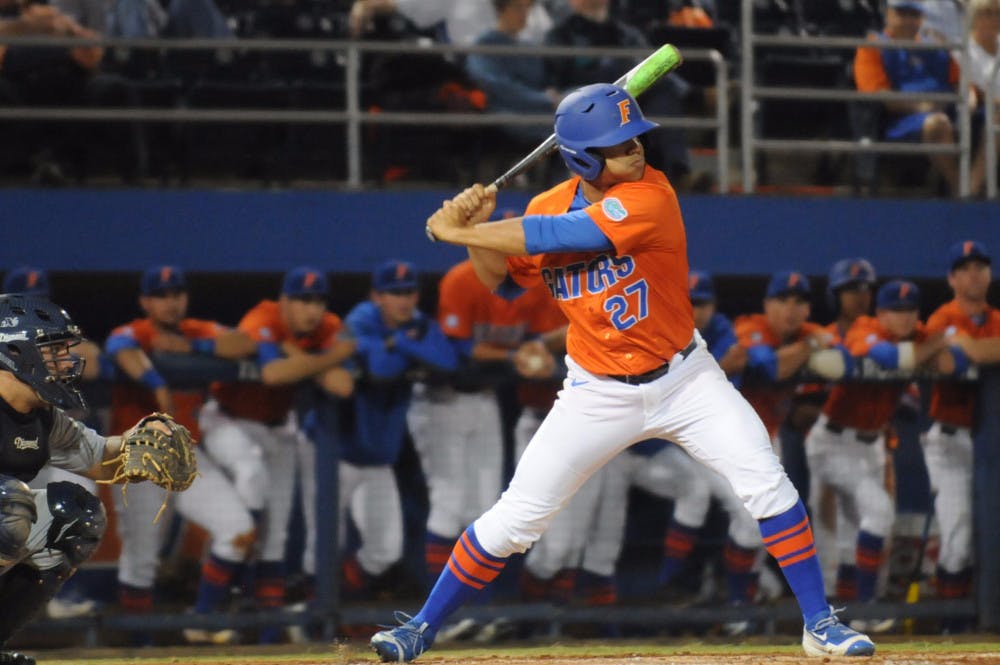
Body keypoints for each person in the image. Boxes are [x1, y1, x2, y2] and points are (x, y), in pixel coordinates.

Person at [370, 82, 876, 660]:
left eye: (635, 137)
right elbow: (500, 277)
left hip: (686, 379)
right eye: (619, 143)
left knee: (766, 480)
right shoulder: (542, 204)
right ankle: (420, 628)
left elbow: (565, 235)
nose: (635, 149)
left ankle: (818, 623)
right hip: (596, 391)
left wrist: (461, 230)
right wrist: (476, 232)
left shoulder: (651, 195)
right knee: (516, 520)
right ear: (583, 156)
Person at [0, 294, 183, 665]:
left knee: (75, 516)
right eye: (52, 350)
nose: (65, 362)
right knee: (9, 507)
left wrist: (143, 442)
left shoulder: (42, 415)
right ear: (15, 353)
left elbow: (101, 457)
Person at [197, 267, 355, 643]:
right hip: (228, 419)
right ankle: (207, 611)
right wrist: (325, 357)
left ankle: (266, 634)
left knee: (279, 531)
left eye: (317, 301)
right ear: (284, 301)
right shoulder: (263, 317)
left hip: (278, 427)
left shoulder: (329, 325)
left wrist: (299, 357)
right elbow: (273, 374)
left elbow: (343, 385)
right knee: (251, 479)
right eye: (302, 300)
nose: (311, 310)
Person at [103, 265, 258, 644]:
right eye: (161, 295)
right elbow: (117, 348)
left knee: (238, 531)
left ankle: (201, 620)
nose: (171, 302)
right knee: (142, 560)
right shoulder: (134, 333)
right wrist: (157, 382)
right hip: (138, 456)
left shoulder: (197, 331)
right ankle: (137, 647)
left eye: (177, 294)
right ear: (145, 301)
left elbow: (246, 343)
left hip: (186, 455)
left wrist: (195, 349)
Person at [410, 258, 560, 600]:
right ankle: (439, 610)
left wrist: (537, 352)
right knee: (448, 505)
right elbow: (457, 348)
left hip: (486, 398)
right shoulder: (462, 279)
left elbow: (535, 339)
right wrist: (513, 358)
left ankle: (474, 609)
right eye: (506, 251)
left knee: (486, 509)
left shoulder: (535, 285)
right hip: (441, 399)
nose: (516, 260)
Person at [804, 279, 947, 632]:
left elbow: (948, 361)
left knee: (858, 532)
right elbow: (883, 355)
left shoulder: (919, 334)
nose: (903, 318)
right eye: (894, 311)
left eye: (910, 310)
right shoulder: (865, 328)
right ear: (880, 313)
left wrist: (935, 346)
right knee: (877, 511)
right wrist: (933, 346)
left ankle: (848, 615)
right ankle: (866, 606)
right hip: (832, 440)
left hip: (871, 444)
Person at [320, 260, 458, 601]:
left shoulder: (416, 324)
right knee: (320, 550)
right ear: (376, 296)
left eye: (409, 292)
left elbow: (448, 362)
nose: (404, 300)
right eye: (394, 293)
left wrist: (398, 343)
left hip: (377, 457)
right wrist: (409, 346)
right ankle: (297, 623)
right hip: (331, 452)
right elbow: (380, 368)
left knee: (384, 552)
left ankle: (335, 608)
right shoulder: (360, 320)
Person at [923, 241, 1000, 605]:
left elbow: (977, 350)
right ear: (952, 278)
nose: (975, 273)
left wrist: (970, 344)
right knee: (958, 533)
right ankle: (950, 622)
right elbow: (947, 362)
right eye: (965, 268)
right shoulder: (941, 318)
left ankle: (980, 614)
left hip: (992, 442)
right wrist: (970, 346)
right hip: (950, 440)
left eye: (981, 266)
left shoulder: (996, 318)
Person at [544, 0, 691, 183]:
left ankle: (676, 171)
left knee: (662, 96)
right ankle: (693, 96)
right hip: (586, 101)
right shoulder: (561, 35)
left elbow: (646, 66)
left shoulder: (625, 33)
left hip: (625, 100)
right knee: (618, 64)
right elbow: (553, 78)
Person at [853, 0, 961, 195]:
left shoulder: (936, 45)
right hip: (902, 121)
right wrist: (924, 106)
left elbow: (959, 82)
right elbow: (879, 95)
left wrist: (967, 99)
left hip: (951, 110)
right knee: (938, 124)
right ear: (888, 14)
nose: (909, 20)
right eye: (902, 14)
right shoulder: (873, 46)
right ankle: (962, 191)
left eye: (915, 15)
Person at [466, 0, 562, 144]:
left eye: (527, 8)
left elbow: (543, 79)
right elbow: (496, 85)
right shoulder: (486, 45)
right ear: (502, 9)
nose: (524, 14)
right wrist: (544, 99)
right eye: (518, 8)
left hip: (541, 108)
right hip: (508, 111)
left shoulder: (528, 47)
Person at [967, 0, 1000, 195]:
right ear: (974, 17)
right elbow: (972, 90)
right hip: (982, 110)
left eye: (997, 13)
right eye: (987, 13)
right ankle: (971, 189)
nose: (995, 19)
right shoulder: (964, 50)